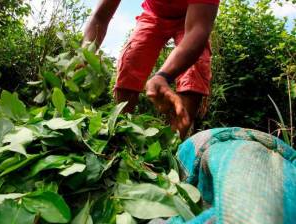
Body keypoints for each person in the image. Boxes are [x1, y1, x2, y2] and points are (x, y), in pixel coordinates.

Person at [83, 0, 219, 138]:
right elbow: (99, 17)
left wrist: (163, 76)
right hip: (153, 14)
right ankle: (121, 130)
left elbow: (198, 29)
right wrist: (83, 55)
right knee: (131, 59)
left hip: (192, 16)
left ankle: (175, 142)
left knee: (195, 70)